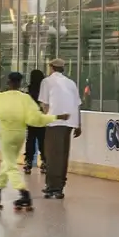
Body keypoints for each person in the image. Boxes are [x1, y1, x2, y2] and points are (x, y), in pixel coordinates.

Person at [0, 72, 66, 213]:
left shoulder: (1, 97)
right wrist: (55, 117)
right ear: (19, 83)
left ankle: (24, 194)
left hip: (7, 135)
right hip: (19, 135)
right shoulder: (25, 99)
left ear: (8, 82)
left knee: (10, 165)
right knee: (7, 163)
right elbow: (36, 119)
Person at [36, 58, 81, 199]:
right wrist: (79, 125)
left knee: (52, 155)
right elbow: (77, 105)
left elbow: (45, 105)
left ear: (51, 67)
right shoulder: (71, 83)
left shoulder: (47, 81)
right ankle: (59, 186)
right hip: (70, 122)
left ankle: (53, 187)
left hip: (55, 121)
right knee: (62, 155)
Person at [22, 68, 46, 173]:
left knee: (30, 141)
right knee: (42, 141)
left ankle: (28, 162)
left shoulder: (29, 90)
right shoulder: (44, 90)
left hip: (31, 119)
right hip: (41, 119)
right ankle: (45, 161)